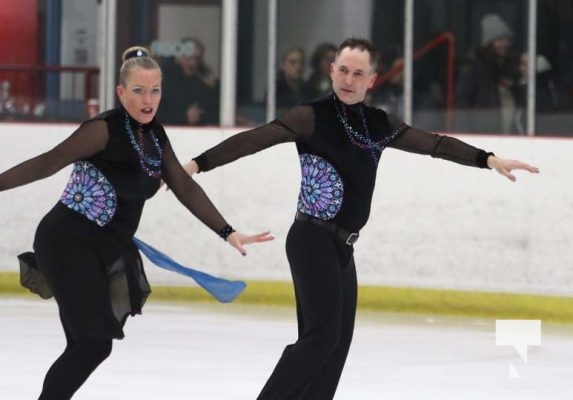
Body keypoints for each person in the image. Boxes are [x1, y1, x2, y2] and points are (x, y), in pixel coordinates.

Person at [180, 38, 539, 399]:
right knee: (321, 340)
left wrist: (487, 159)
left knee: (335, 347)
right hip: (310, 239)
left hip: (342, 247)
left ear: (372, 80)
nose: (348, 80)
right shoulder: (311, 116)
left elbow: (435, 144)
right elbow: (255, 139)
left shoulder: (378, 124)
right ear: (332, 71)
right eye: (343, 70)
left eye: (358, 73)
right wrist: (197, 164)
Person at [0, 46, 273, 400]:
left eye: (155, 90)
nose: (148, 99)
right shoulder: (103, 130)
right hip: (67, 244)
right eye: (139, 91)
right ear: (120, 92)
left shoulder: (156, 138)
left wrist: (228, 231)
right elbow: (47, 162)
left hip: (105, 250)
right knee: (93, 345)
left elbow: (184, 186)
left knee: (85, 345)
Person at [456, 13, 521, 133]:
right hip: (484, 134)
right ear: (488, 43)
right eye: (500, 40)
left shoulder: (510, 67)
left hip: (508, 135)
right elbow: (462, 106)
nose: (505, 44)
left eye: (507, 39)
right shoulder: (473, 69)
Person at [157, 37, 220, 125]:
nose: (193, 63)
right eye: (189, 58)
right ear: (177, 56)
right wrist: (184, 117)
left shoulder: (201, 80)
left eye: (197, 59)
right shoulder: (160, 80)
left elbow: (215, 114)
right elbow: (153, 116)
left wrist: (213, 87)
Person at [275, 47, 307, 114]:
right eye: (292, 62)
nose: (298, 67)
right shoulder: (275, 89)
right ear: (283, 65)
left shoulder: (308, 88)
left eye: (301, 63)